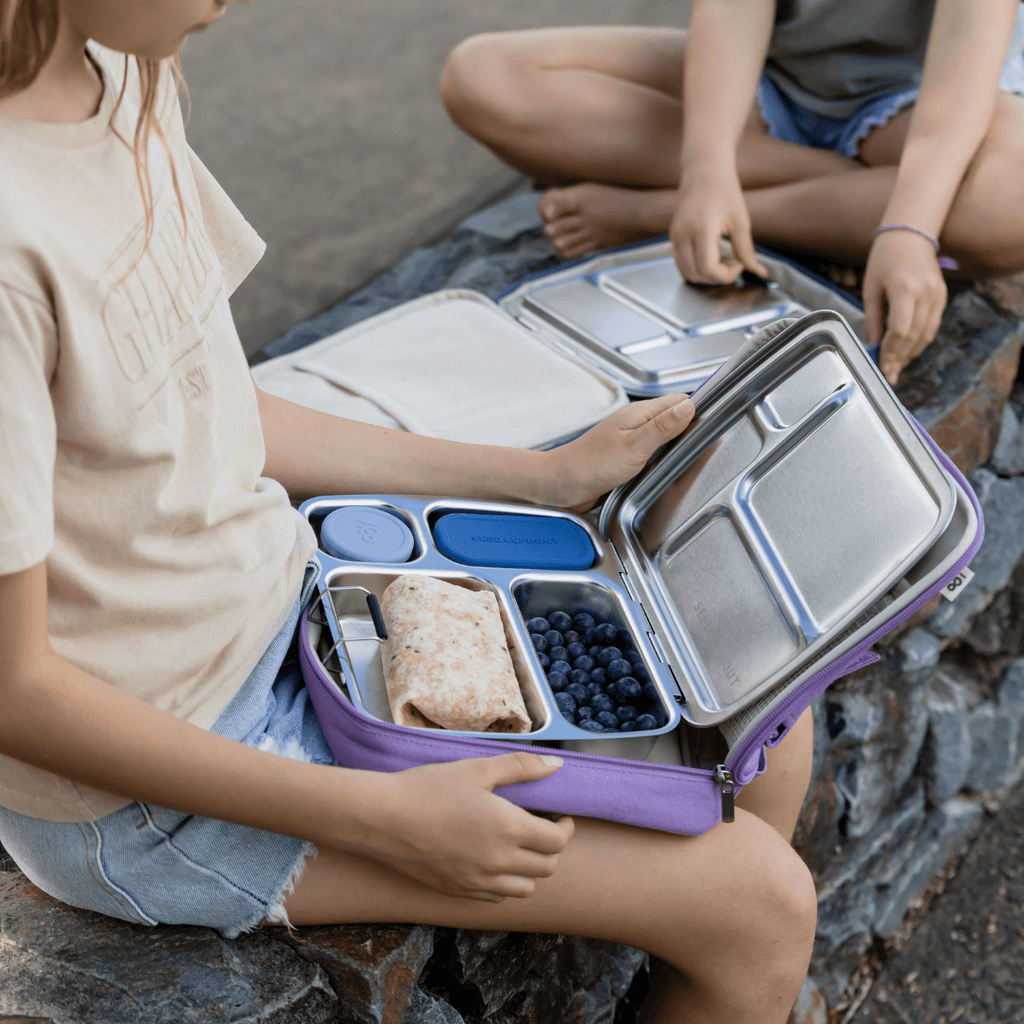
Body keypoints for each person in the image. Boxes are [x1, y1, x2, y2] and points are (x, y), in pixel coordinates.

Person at [0, 3, 817, 1022]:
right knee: (761, 907)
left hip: (288, 616)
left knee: (773, 728)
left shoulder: (122, 71)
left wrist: (538, 476)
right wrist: (377, 816)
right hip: (150, 799)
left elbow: (206, 404)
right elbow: (16, 691)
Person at [439, 0, 1024, 386]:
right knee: (482, 75)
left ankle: (660, 212)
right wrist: (706, 168)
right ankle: (843, 213)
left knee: (1010, 201)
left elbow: (966, 61)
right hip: (765, 84)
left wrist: (908, 227)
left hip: (917, 106)